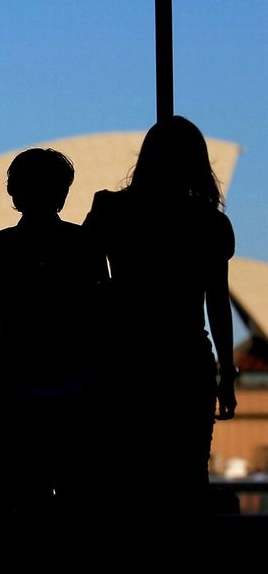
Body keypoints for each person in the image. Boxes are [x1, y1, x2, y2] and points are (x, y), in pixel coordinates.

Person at [81, 115, 239, 549]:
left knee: (127, 479)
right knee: (187, 479)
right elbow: (217, 302)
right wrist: (227, 373)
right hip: (187, 361)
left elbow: (84, 278)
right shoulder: (208, 223)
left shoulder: (111, 209)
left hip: (125, 361)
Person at [0, 149, 107, 556]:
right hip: (77, 397)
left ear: (14, 192)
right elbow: (102, 324)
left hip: (13, 398)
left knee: (22, 508)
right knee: (79, 507)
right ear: (63, 193)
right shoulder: (86, 245)